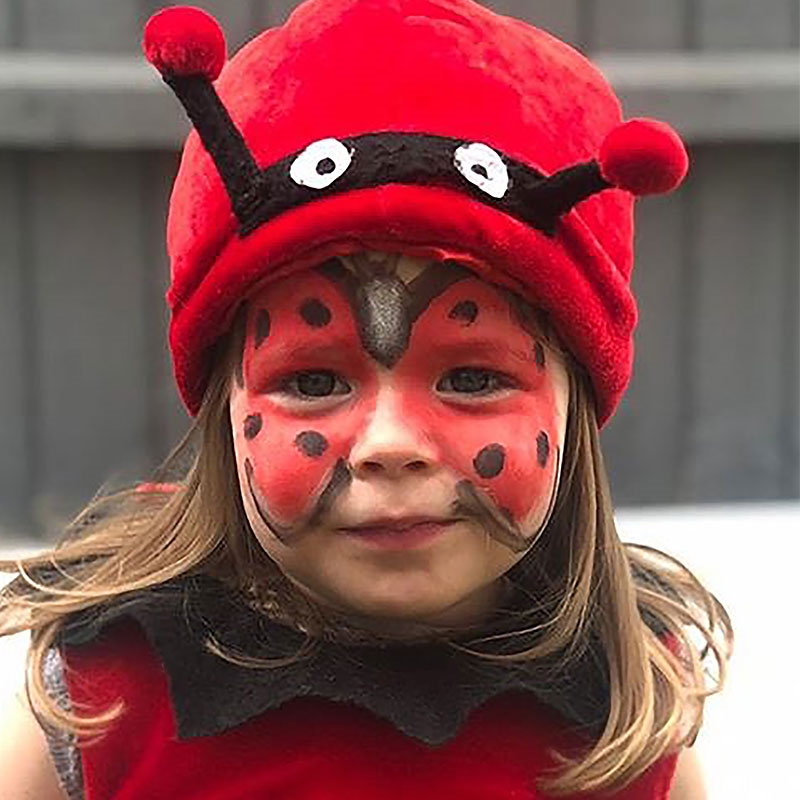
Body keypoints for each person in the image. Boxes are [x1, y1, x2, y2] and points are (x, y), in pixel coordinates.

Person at [0, 1, 732, 798]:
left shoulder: (631, 709)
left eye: (472, 378)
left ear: (572, 404)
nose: (389, 441)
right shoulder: (107, 697)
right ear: (223, 411)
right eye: (313, 382)